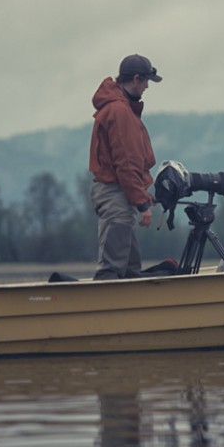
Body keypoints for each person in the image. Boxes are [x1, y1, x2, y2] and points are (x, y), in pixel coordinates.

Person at [88, 54, 162, 279]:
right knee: (111, 270)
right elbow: (126, 165)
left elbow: (125, 166)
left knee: (130, 271)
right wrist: (141, 205)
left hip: (121, 195)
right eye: (146, 81)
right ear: (137, 78)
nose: (147, 86)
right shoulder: (120, 112)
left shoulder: (120, 109)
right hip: (116, 198)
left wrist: (141, 194)